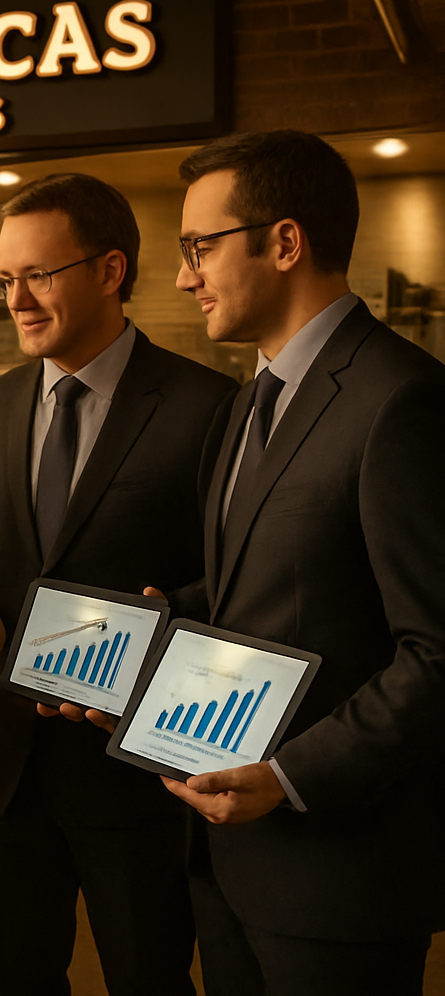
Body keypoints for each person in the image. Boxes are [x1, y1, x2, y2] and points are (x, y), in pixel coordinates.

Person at [0, 174, 237, 995]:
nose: (18, 299)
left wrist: (155, 631)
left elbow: (237, 578)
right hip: (7, 767)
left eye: (40, 274)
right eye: (6, 278)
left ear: (110, 270)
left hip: (134, 770)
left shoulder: (209, 407)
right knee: (20, 977)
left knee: (150, 976)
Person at [165, 130, 445, 995]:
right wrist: (143, 639)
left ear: (284, 242)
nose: (183, 277)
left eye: (198, 248)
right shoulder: (249, 399)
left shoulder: (403, 400)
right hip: (228, 860)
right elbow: (260, 586)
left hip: (339, 881)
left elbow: (436, 651)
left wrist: (288, 776)